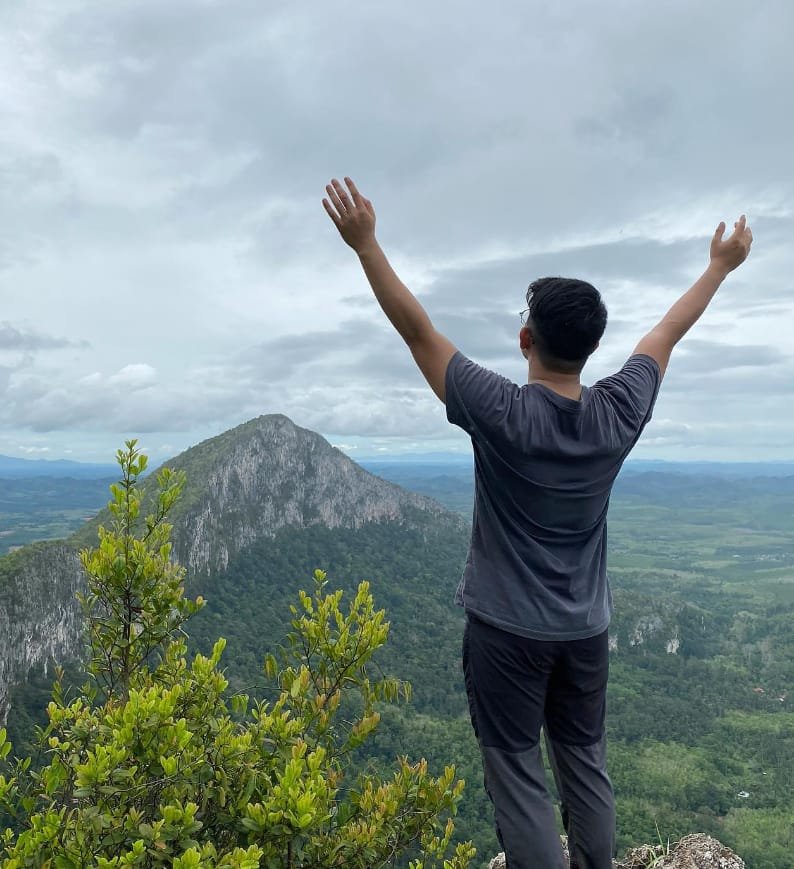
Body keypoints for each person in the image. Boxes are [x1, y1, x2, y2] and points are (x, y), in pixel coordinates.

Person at [322, 177, 753, 868]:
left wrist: (366, 245)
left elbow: (416, 330)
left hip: (505, 633)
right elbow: (668, 330)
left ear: (525, 338)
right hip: (585, 630)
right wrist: (719, 266)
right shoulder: (619, 412)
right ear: (591, 347)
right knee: (585, 763)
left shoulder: (501, 411)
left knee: (519, 776)